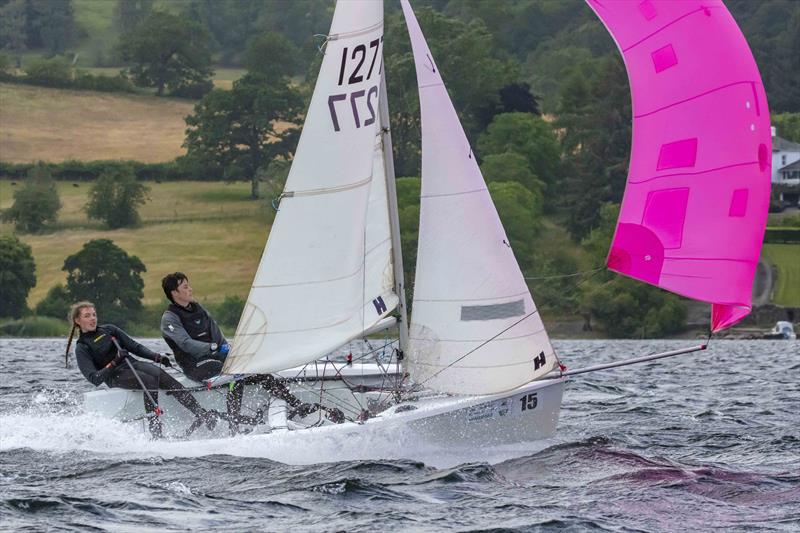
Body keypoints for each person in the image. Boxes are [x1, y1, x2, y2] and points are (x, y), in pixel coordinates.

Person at [159, 273, 338, 433]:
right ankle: (234, 427)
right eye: (185, 287)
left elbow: (217, 335)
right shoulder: (170, 318)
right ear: (175, 293)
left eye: (189, 285)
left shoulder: (199, 309)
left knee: (258, 371)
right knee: (234, 375)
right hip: (195, 366)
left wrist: (229, 350)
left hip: (217, 360)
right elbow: (185, 343)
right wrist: (213, 349)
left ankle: (298, 405)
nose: (190, 289)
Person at [67, 301, 219, 439]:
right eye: (87, 316)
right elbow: (94, 378)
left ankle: (202, 414)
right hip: (115, 376)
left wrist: (157, 357)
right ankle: (156, 430)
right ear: (78, 321)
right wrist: (114, 362)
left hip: (132, 365)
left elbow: (135, 347)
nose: (93, 319)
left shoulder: (109, 330)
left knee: (160, 374)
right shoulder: (82, 347)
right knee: (150, 380)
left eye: (94, 315)